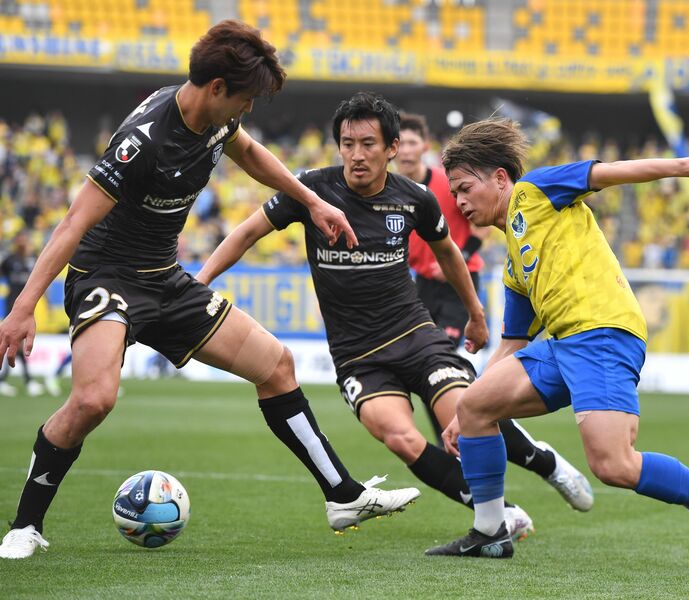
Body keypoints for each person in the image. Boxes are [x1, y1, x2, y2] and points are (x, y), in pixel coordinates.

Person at [0, 21, 419, 561]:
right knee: (93, 400)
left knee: (277, 365)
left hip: (165, 278)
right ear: (217, 87)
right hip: (108, 276)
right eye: (245, 99)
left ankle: (342, 495)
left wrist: (314, 202)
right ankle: (25, 525)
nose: (248, 110)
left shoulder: (217, 119)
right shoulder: (143, 140)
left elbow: (251, 153)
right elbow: (73, 223)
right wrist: (24, 307)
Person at [197, 92, 594, 543]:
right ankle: (496, 514)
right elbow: (247, 232)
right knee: (402, 440)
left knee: (467, 414)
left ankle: (544, 462)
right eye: (347, 143)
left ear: (391, 148)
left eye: (368, 144)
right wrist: (201, 280)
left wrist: (476, 313)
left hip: (417, 335)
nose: (356, 154)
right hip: (357, 355)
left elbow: (449, 252)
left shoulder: (414, 199)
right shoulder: (310, 191)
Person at [425, 118, 689, 568]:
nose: (459, 201)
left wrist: (684, 166)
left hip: (603, 334)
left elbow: (607, 173)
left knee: (613, 466)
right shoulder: (514, 264)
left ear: (500, 179)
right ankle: (490, 532)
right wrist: (464, 411)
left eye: (465, 188)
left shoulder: (534, 191)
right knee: (476, 406)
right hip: (563, 346)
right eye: (455, 193)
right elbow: (513, 344)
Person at [396, 112, 487, 445]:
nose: (406, 150)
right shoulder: (392, 192)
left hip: (459, 285)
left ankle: (479, 430)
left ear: (425, 146)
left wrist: (455, 259)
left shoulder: (447, 184)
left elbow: (481, 227)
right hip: (423, 288)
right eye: (401, 143)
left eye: (412, 142)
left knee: (440, 360)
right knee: (425, 369)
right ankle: (452, 443)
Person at [0, 231, 45, 397]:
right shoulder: (9, 260)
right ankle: (27, 381)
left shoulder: (32, 259)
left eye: (25, 240)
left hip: (28, 307)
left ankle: (9, 380)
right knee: (16, 343)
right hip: (13, 307)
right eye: (20, 240)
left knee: (16, 344)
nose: (23, 243)